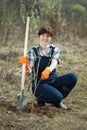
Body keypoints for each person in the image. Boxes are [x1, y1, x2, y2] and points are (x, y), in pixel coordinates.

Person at [20, 25, 78, 109]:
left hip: (53, 80)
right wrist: (26, 68)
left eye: (48, 36)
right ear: (39, 36)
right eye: (43, 35)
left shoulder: (54, 49)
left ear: (51, 37)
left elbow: (54, 62)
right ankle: (43, 99)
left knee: (73, 77)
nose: (45, 38)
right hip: (39, 84)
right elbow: (30, 72)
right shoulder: (33, 51)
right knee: (58, 97)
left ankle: (56, 99)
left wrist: (49, 69)